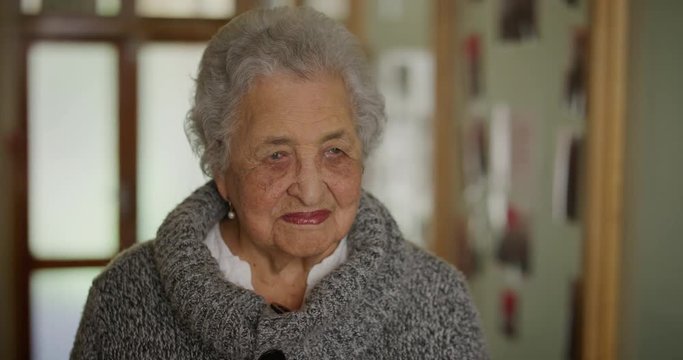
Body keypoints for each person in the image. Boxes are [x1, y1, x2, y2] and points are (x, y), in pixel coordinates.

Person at [71, 6, 487, 359]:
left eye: (335, 151)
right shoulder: (125, 296)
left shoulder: (437, 298)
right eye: (276, 156)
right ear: (221, 167)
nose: (309, 189)